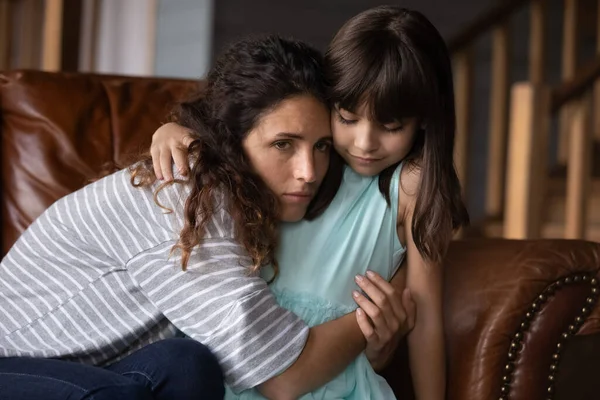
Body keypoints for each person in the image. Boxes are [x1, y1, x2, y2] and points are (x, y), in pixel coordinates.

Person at [0, 35, 410, 400]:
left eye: (321, 146)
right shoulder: (188, 198)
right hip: (13, 363)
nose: (309, 171)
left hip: (87, 368)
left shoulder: (242, 197)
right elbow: (283, 379)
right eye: (283, 144)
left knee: (188, 365)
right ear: (229, 141)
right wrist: (377, 311)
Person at [151, 6, 470, 400]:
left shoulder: (411, 185)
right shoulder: (307, 161)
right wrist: (172, 130)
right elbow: (241, 129)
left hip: (329, 381)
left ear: (423, 119)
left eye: (390, 127)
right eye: (348, 118)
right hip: (242, 357)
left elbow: (424, 322)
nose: (365, 143)